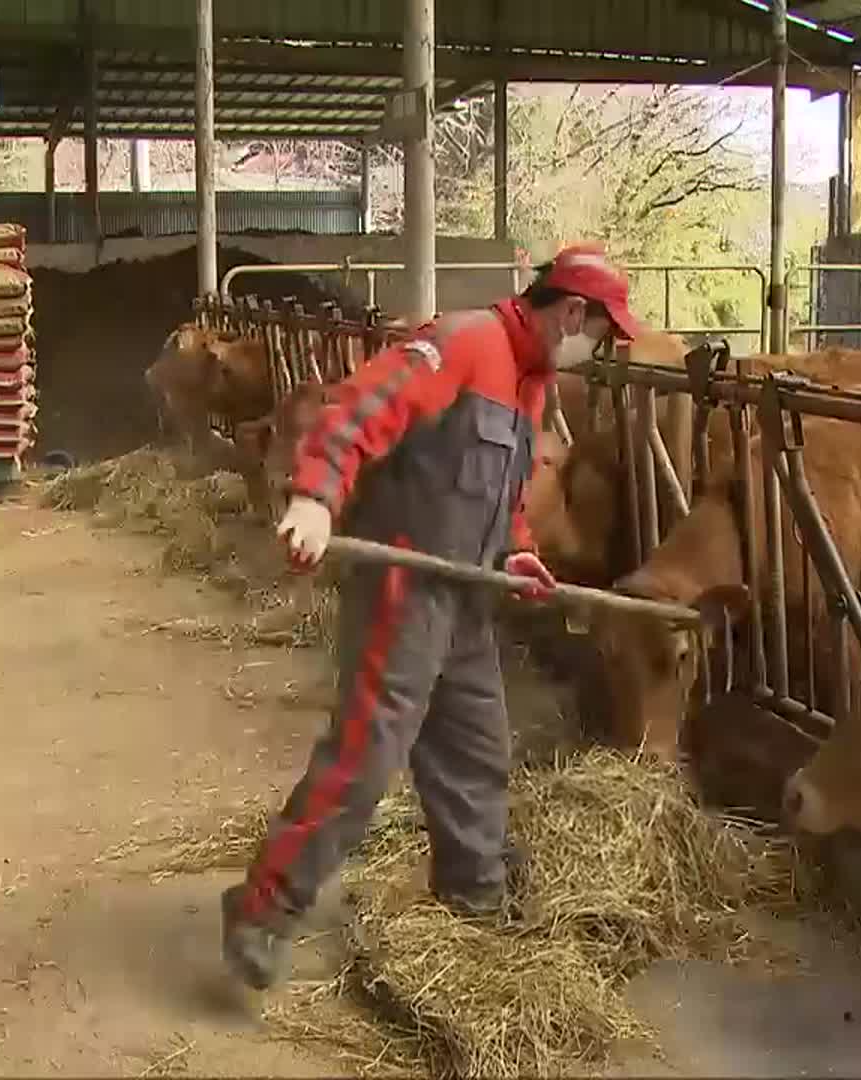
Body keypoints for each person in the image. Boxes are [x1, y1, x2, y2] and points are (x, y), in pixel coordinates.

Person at [220, 244, 649, 991]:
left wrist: (514, 553)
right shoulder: (462, 343)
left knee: (479, 748)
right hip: (402, 585)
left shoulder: (531, 386)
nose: (598, 351)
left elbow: (501, 497)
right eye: (601, 335)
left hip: (464, 594)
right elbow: (356, 409)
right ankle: (262, 909)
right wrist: (315, 497)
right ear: (572, 313)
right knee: (367, 756)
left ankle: (474, 903)